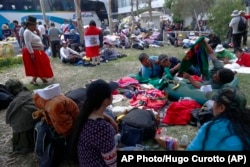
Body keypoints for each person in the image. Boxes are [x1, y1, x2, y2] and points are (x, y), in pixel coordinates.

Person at [70, 79, 118, 166]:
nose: (112, 95)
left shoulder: (84, 113)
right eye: (111, 93)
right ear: (105, 101)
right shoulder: (102, 128)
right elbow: (113, 164)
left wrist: (110, 118)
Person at [22, 15, 54, 85]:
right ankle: (41, 78)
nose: (35, 27)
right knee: (39, 65)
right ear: (30, 25)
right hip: (34, 51)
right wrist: (32, 53)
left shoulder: (32, 31)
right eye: (34, 25)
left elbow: (40, 39)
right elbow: (28, 43)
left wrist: (38, 33)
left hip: (39, 51)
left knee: (41, 64)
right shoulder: (27, 32)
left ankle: (37, 79)